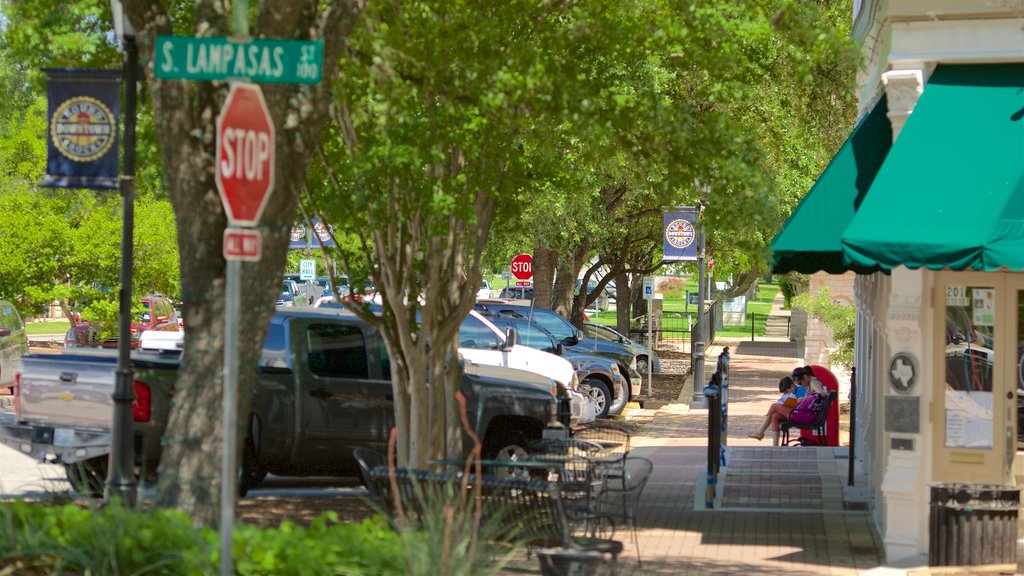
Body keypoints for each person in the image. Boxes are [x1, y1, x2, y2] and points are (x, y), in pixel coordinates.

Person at [749, 376, 799, 445]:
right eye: (784, 393)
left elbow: (803, 402)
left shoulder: (800, 390)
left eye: (787, 392)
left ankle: (760, 432)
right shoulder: (792, 392)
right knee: (774, 416)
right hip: (791, 413)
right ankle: (775, 445)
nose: (786, 394)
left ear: (792, 386)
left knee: (774, 406)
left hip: (798, 414)